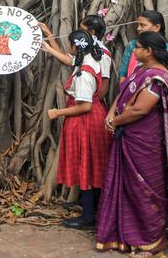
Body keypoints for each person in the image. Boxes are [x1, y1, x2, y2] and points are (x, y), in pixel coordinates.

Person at [97, 32, 168, 257]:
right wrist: (110, 115)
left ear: (149, 51)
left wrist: (115, 121)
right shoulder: (140, 71)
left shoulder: (158, 77)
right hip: (129, 136)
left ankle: (152, 242)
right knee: (127, 188)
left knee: (145, 191)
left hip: (146, 143)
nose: (134, 52)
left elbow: (140, 109)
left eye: (138, 48)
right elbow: (123, 93)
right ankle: (125, 237)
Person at [41, 29, 111, 229]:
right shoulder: (92, 57)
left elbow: (85, 105)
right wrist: (50, 41)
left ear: (74, 47)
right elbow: (71, 60)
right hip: (94, 116)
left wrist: (58, 112)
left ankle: (88, 216)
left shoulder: (83, 74)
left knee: (84, 167)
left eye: (70, 46)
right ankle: (95, 211)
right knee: (91, 166)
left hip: (84, 121)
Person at [40, 16, 112, 101]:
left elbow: (104, 85)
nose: (78, 31)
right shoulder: (87, 48)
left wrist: (92, 104)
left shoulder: (102, 54)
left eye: (81, 28)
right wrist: (48, 34)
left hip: (88, 103)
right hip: (80, 100)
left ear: (92, 32)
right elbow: (66, 59)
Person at [119, 10, 168, 82]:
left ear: (157, 27)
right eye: (138, 25)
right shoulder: (132, 45)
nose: (138, 28)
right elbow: (123, 75)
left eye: (143, 25)